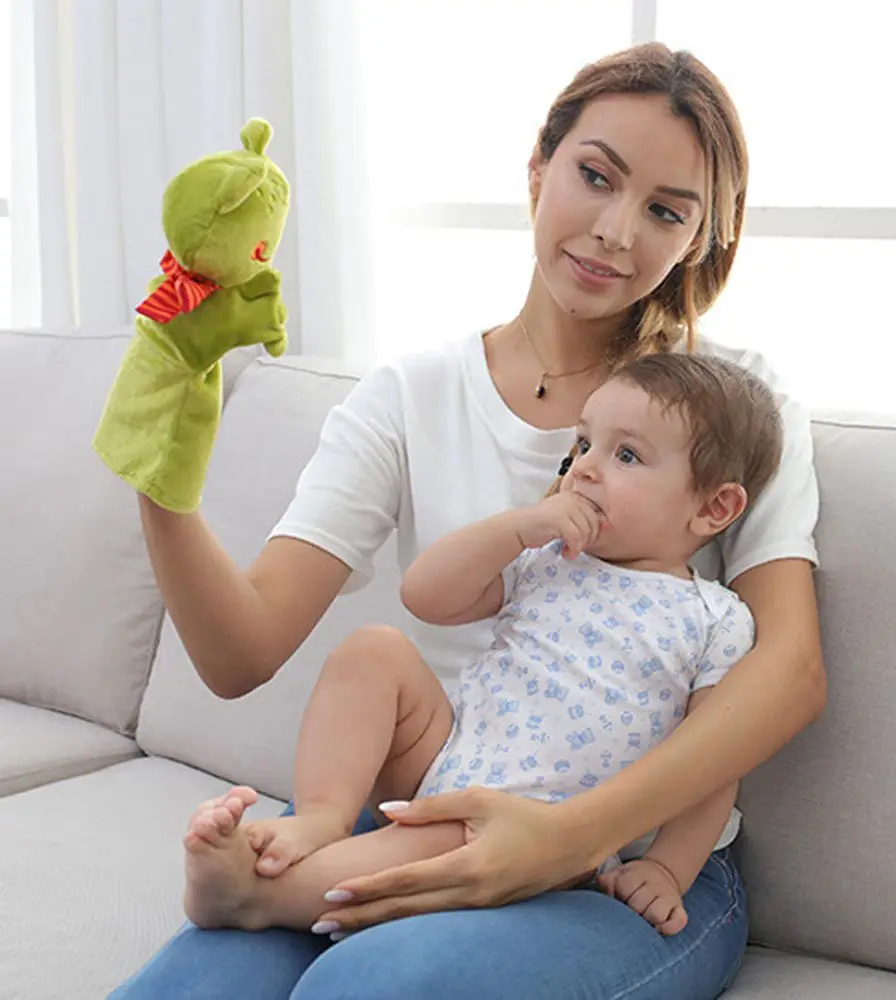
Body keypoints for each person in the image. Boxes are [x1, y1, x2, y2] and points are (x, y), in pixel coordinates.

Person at [110, 40, 824, 1000]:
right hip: (421, 792)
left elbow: (788, 674)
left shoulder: (733, 409)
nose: (616, 231)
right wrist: (163, 469)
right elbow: (240, 652)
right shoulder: (412, 393)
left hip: (627, 859)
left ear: (698, 238)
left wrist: (570, 837)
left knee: (364, 988)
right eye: (594, 176)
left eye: (664, 210)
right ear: (538, 170)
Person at [179, 352, 783, 945]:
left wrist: (666, 869)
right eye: (583, 444)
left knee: (440, 843)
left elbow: (714, 764)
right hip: (444, 760)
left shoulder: (715, 620)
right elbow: (425, 594)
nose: (585, 469)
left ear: (714, 507)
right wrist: (518, 528)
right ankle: (320, 816)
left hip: (534, 830)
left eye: (625, 455)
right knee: (375, 650)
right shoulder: (549, 559)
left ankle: (251, 898)